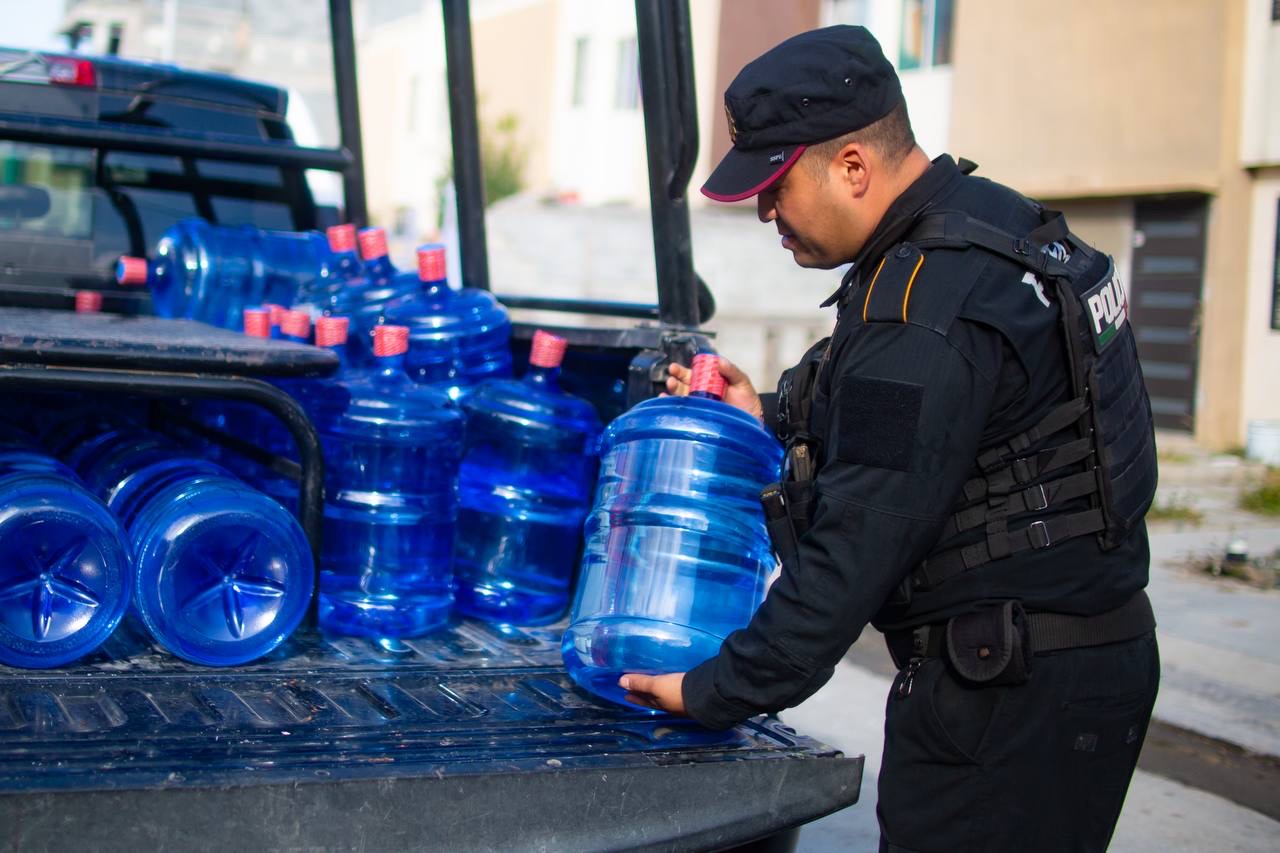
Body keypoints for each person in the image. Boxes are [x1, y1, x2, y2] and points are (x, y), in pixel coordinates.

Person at [618, 25, 1160, 852]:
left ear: (853, 167)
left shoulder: (923, 303)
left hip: (1008, 699)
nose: (766, 210)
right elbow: (925, 417)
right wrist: (763, 409)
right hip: (1074, 664)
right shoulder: (990, 229)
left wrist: (715, 688)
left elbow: (854, 545)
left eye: (775, 185)